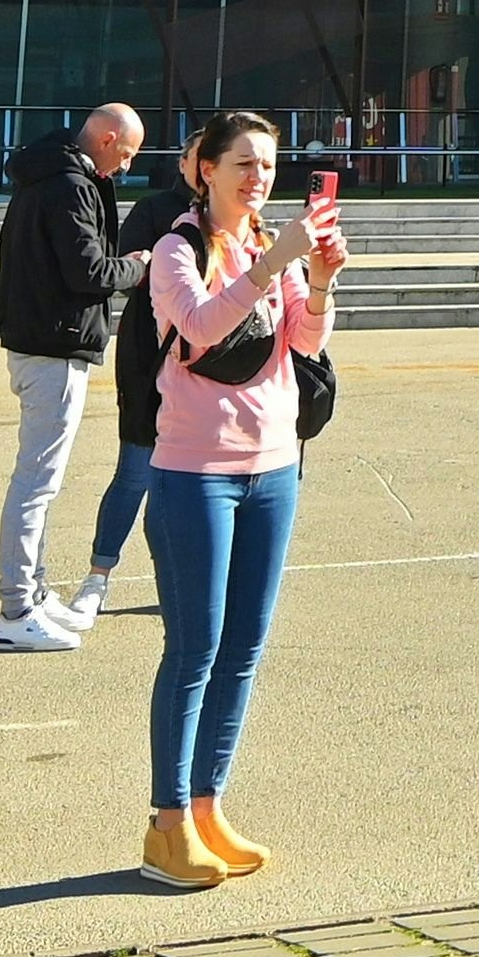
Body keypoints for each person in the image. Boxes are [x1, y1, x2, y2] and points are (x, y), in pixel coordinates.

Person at [133, 109, 345, 888]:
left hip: (274, 467)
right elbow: (198, 331)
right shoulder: (177, 250)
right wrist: (271, 264)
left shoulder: (266, 247)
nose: (259, 179)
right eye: (244, 165)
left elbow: (304, 345)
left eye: (268, 166)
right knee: (194, 649)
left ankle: (208, 805)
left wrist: (317, 282)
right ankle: (167, 827)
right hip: (196, 472)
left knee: (244, 650)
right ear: (206, 170)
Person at [0, 103, 140, 649]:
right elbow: (89, 271)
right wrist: (140, 266)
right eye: (127, 153)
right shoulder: (70, 185)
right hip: (53, 347)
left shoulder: (46, 174)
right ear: (107, 138)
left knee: (40, 480)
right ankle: (15, 610)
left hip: (40, 340)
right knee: (37, 482)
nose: (126, 166)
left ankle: (32, 591)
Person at [62, 135, 195, 630]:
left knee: (192, 488)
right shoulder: (156, 209)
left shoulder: (233, 221)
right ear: (185, 162)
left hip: (209, 375)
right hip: (148, 360)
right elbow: (125, 271)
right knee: (135, 473)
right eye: (199, 157)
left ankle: (182, 583)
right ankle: (97, 578)